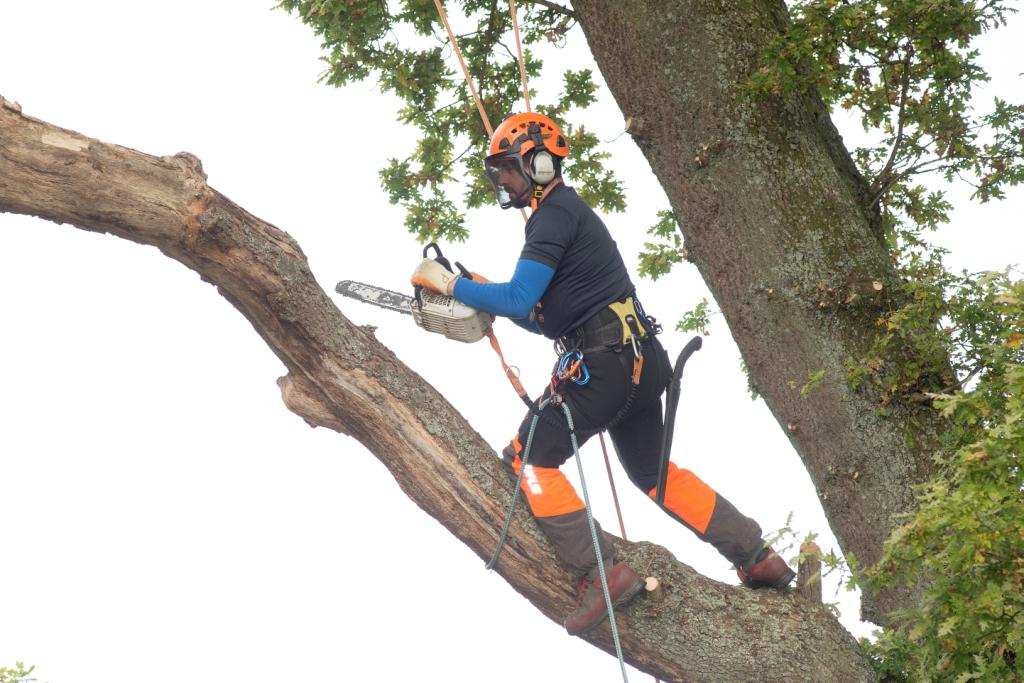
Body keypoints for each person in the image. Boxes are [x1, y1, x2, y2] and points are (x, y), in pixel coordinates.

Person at [411, 112, 794, 636]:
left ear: (540, 161)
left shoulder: (554, 214)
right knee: (655, 475)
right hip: (638, 360)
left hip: (602, 365)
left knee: (528, 462)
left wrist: (456, 287)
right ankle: (756, 554)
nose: (503, 181)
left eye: (508, 168)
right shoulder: (565, 217)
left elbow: (520, 297)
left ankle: (602, 572)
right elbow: (540, 316)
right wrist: (481, 288)